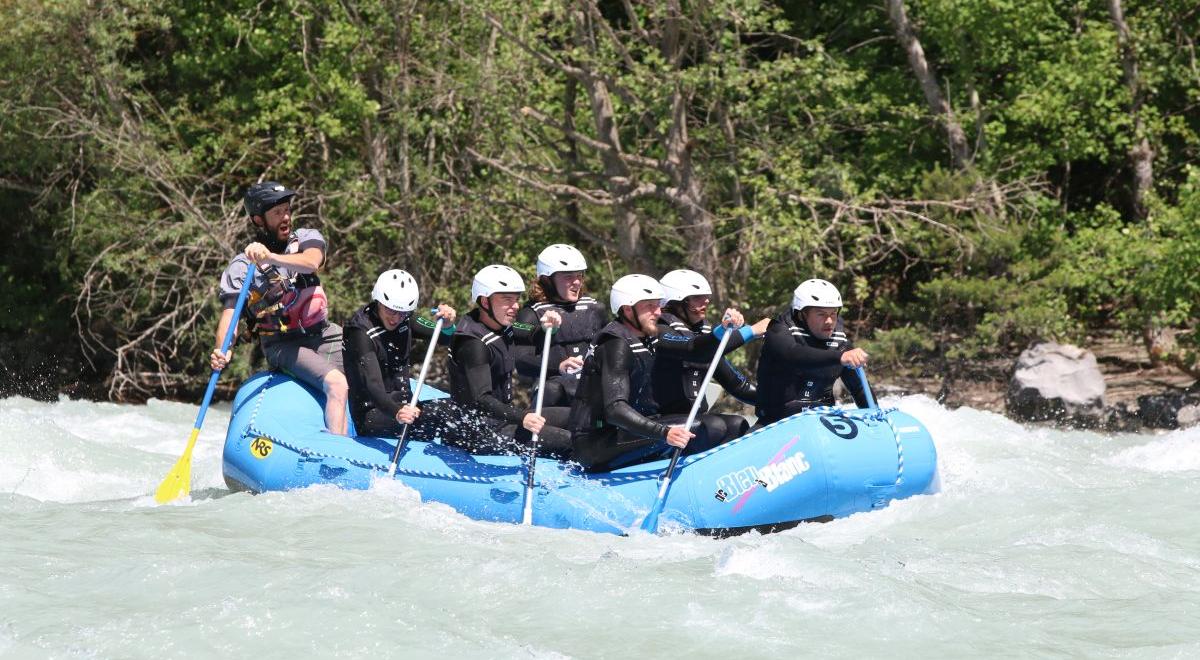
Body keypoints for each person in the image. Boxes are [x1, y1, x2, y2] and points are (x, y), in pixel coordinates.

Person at [210, 181, 349, 435]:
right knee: (337, 384)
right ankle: (335, 461)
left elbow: (311, 263)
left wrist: (270, 257)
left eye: (287, 210)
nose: (285, 217)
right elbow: (230, 315)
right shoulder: (242, 268)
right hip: (283, 345)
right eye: (277, 213)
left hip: (324, 333)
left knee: (370, 356)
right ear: (258, 220)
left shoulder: (307, 238)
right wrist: (223, 349)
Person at [568, 274, 745, 472]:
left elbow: (693, 348)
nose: (658, 311)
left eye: (658, 305)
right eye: (650, 306)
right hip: (597, 442)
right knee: (710, 427)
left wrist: (722, 329)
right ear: (627, 309)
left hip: (630, 430)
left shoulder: (650, 334)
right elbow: (615, 409)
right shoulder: (615, 344)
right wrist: (664, 433)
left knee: (736, 424)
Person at [445, 264, 573, 457]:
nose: (515, 306)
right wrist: (523, 418)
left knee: (579, 415)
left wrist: (549, 327)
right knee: (567, 440)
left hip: (504, 419)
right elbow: (481, 400)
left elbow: (533, 334)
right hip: (479, 433)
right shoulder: (473, 344)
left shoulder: (501, 324)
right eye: (506, 300)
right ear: (485, 302)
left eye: (516, 299)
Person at [653, 269, 769, 444]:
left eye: (706, 296)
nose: (706, 300)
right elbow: (695, 351)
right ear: (677, 301)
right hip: (658, 425)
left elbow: (738, 386)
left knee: (738, 424)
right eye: (697, 297)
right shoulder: (658, 332)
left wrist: (781, 399)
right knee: (714, 426)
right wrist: (751, 331)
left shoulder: (703, 336)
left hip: (693, 422)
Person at [342, 269, 458, 438]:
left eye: (403, 312)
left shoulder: (405, 318)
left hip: (407, 407)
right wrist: (397, 412)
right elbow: (373, 386)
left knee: (458, 408)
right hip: (374, 414)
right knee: (440, 417)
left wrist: (447, 325)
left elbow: (446, 338)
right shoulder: (359, 333)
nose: (395, 318)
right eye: (391, 311)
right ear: (379, 302)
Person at [755, 278, 869, 426]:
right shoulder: (778, 333)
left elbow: (859, 390)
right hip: (775, 424)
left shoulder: (840, 342)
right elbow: (793, 354)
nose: (829, 321)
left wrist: (875, 421)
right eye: (821, 314)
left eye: (833, 313)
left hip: (823, 424)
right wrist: (840, 357)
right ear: (802, 314)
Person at [514, 244, 608, 407]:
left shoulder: (595, 309)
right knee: (553, 389)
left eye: (579, 275)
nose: (577, 282)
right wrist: (558, 367)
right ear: (547, 280)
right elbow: (521, 362)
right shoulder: (529, 314)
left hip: (590, 396)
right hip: (553, 399)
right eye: (568, 277)